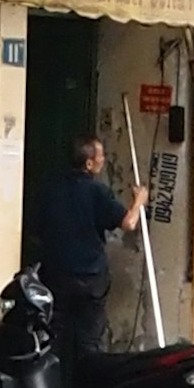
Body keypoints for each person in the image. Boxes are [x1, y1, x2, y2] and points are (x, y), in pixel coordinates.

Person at [36, 133, 129, 349]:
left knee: (53, 337)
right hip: (91, 279)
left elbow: (36, 228)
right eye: (100, 156)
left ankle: (55, 380)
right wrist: (138, 201)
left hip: (56, 275)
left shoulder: (50, 188)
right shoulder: (98, 192)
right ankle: (87, 380)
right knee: (89, 341)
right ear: (88, 163)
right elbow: (128, 223)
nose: (103, 159)